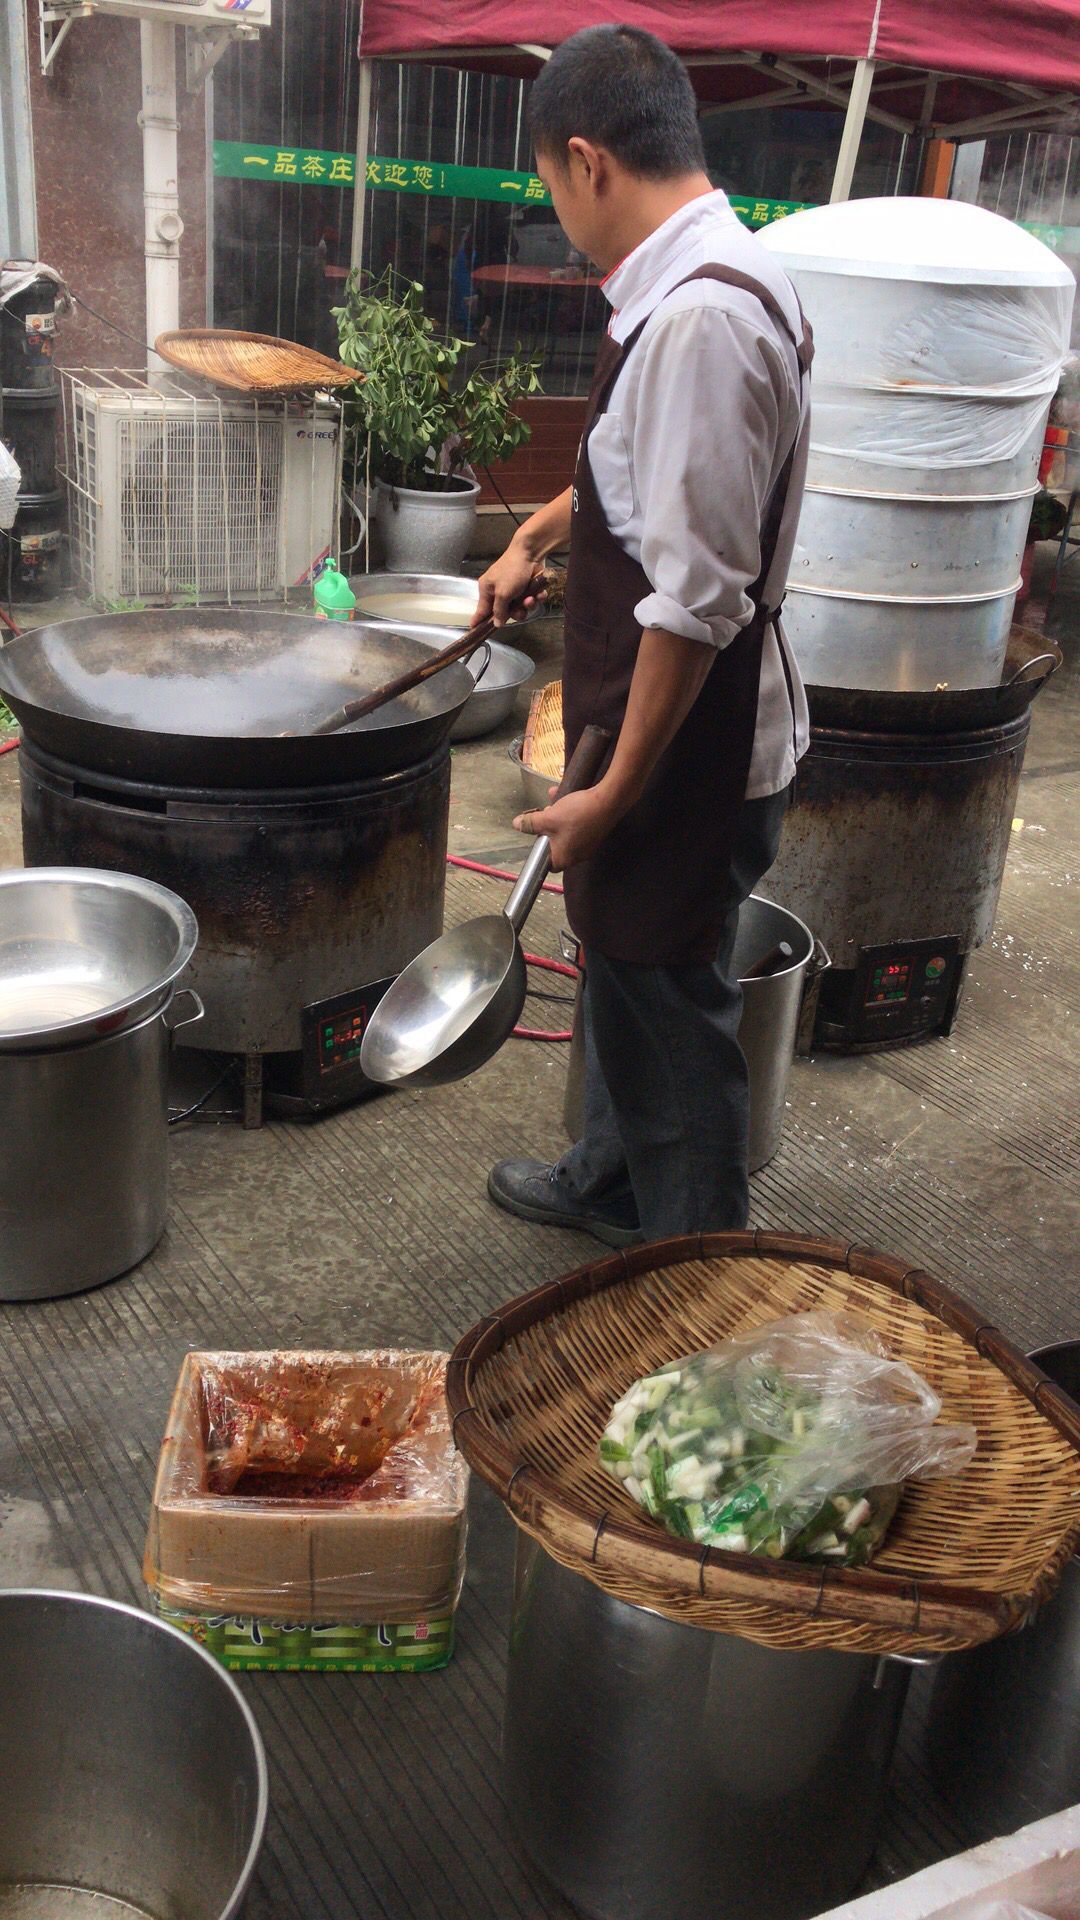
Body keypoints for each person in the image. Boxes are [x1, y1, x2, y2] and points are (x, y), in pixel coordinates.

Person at [476, 24, 812, 1247]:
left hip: (691, 745)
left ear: (587, 160)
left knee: (671, 1013)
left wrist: (612, 791)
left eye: (549, 187)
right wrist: (539, 536)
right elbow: (648, 474)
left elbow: (695, 600)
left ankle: (693, 1276)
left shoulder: (697, 324)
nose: (556, 210)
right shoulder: (705, 275)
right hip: (663, 732)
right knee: (625, 966)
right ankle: (610, 1179)